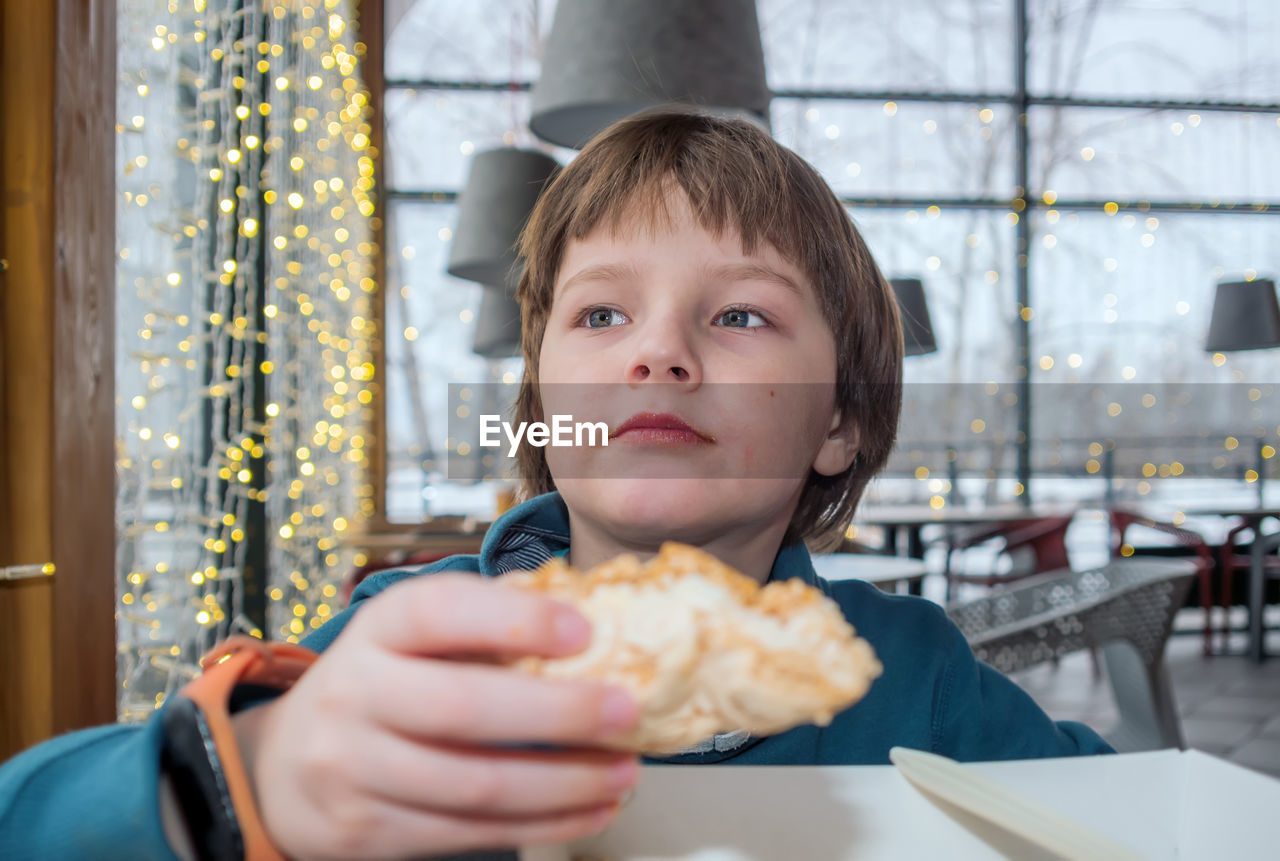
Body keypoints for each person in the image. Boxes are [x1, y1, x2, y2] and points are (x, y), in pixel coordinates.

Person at [0, 109, 1111, 860]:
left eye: (738, 315)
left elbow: (1142, 817)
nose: (657, 355)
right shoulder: (417, 644)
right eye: (599, 315)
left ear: (837, 424)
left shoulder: (913, 672)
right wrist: (242, 774)